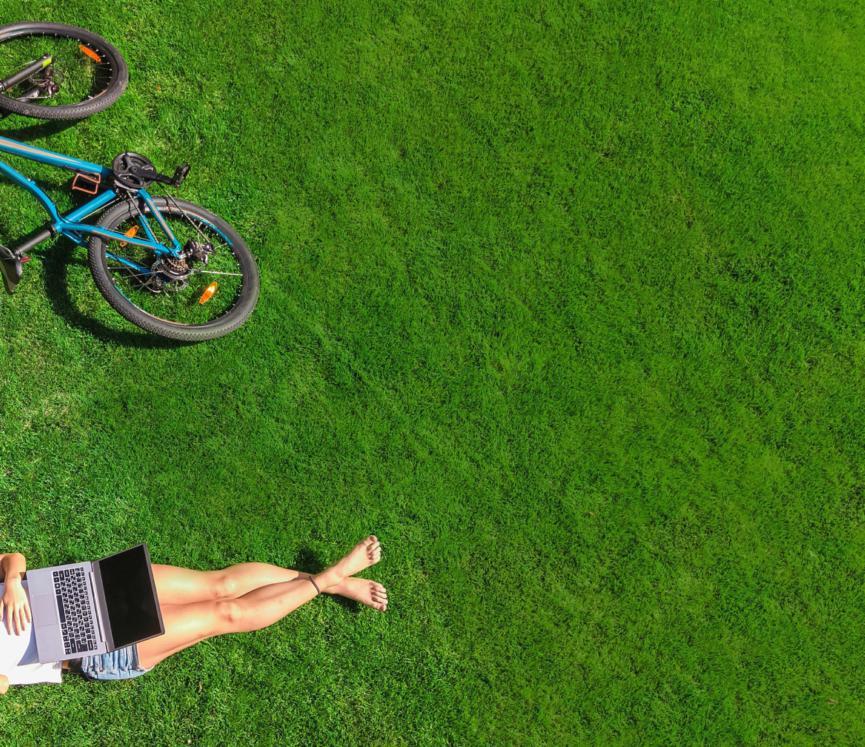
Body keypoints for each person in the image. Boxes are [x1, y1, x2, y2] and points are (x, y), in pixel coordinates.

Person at [0, 536, 387, 689]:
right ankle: (329, 579)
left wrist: (15, 582)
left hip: (90, 590)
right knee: (224, 613)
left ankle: (333, 583)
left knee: (219, 584)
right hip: (95, 650)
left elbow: (11, 557)